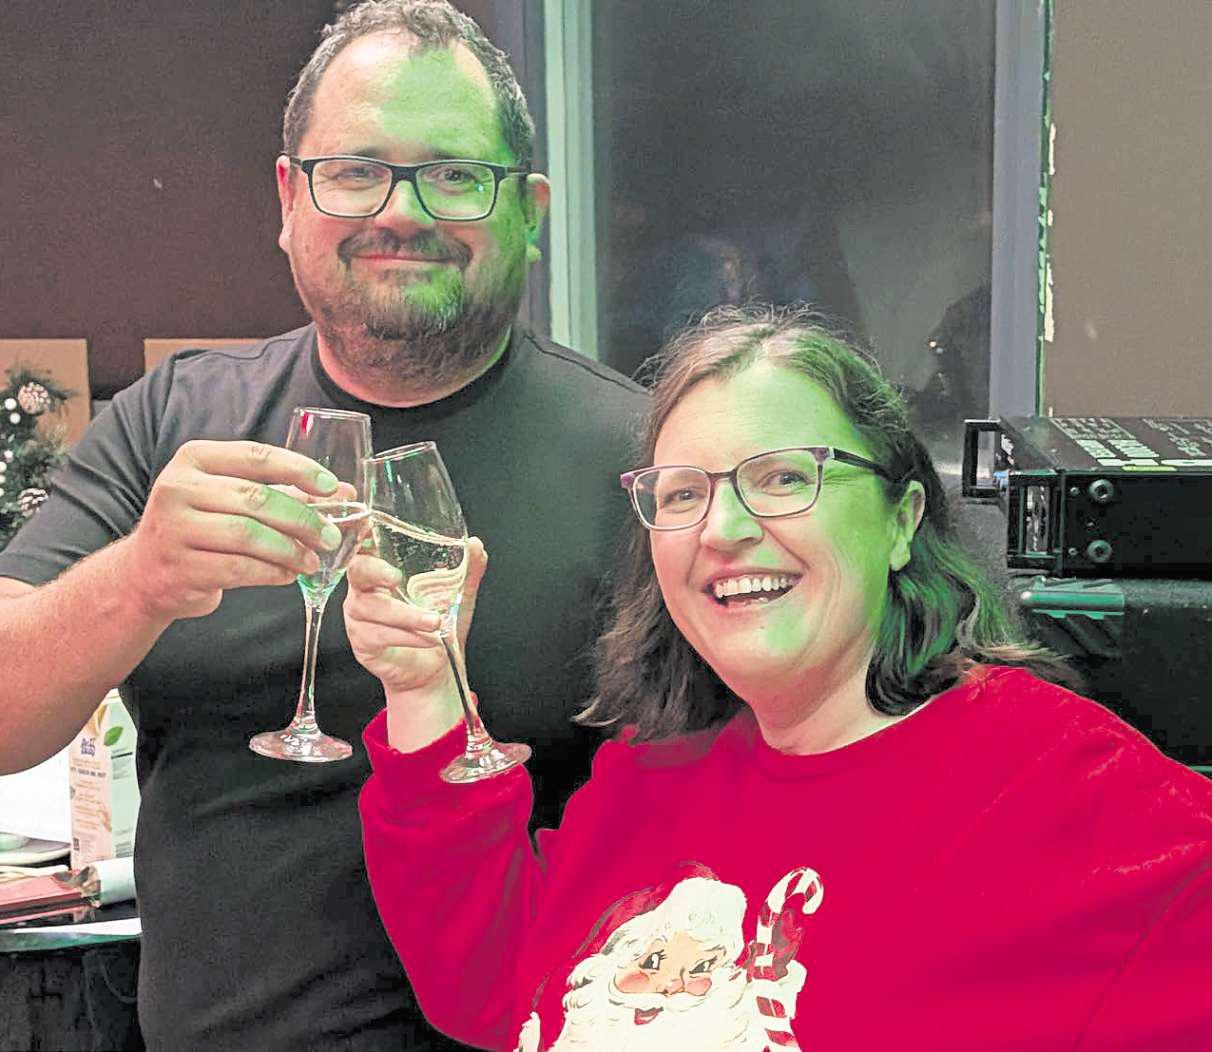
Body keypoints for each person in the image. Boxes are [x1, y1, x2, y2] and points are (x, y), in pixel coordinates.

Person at [0, 2, 644, 1048]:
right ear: (289, 198)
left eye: (454, 174)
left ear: (529, 209)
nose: (402, 209)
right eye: (356, 171)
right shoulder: (174, 420)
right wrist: (138, 580)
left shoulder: (638, 457)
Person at [351, 303, 1212, 1050]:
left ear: (903, 520)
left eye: (784, 479)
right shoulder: (646, 779)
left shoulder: (1065, 790)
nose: (723, 527)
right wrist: (426, 684)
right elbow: (495, 986)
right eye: (683, 494)